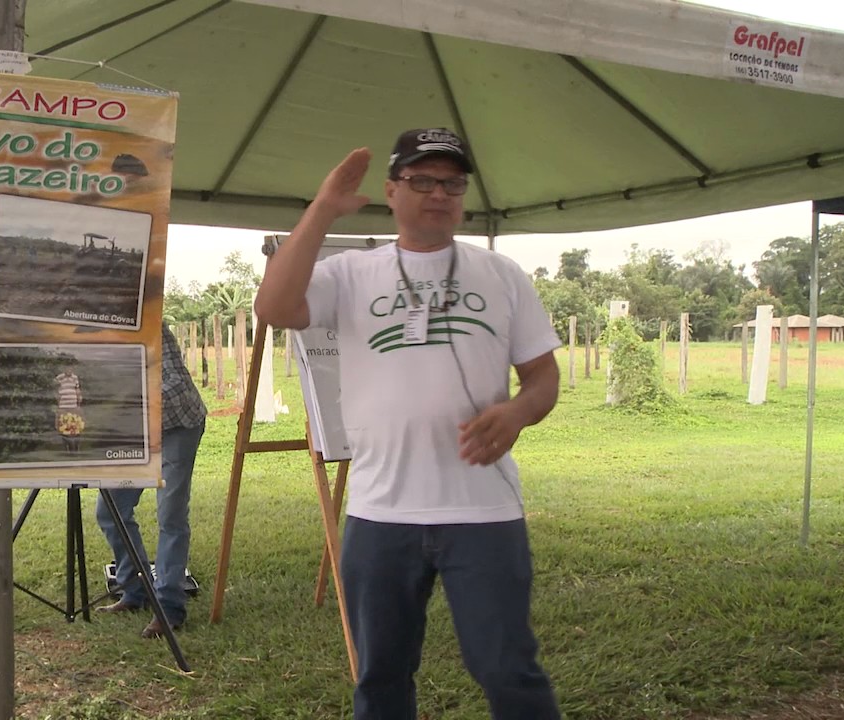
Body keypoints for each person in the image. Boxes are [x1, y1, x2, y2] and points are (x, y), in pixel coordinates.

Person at [254, 128, 563, 720]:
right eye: (422, 180)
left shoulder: (502, 275)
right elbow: (273, 308)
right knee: (381, 676)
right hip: (380, 512)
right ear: (392, 192)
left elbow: (544, 378)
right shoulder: (349, 273)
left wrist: (520, 412)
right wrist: (320, 210)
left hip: (484, 513)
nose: (439, 193)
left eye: (451, 183)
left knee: (508, 669)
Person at [95, 324, 206, 639]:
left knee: (170, 515)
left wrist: (121, 401)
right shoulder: (90, 334)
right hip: (136, 429)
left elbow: (176, 385)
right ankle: (135, 591)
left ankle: (169, 607)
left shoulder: (150, 323)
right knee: (110, 510)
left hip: (177, 425)